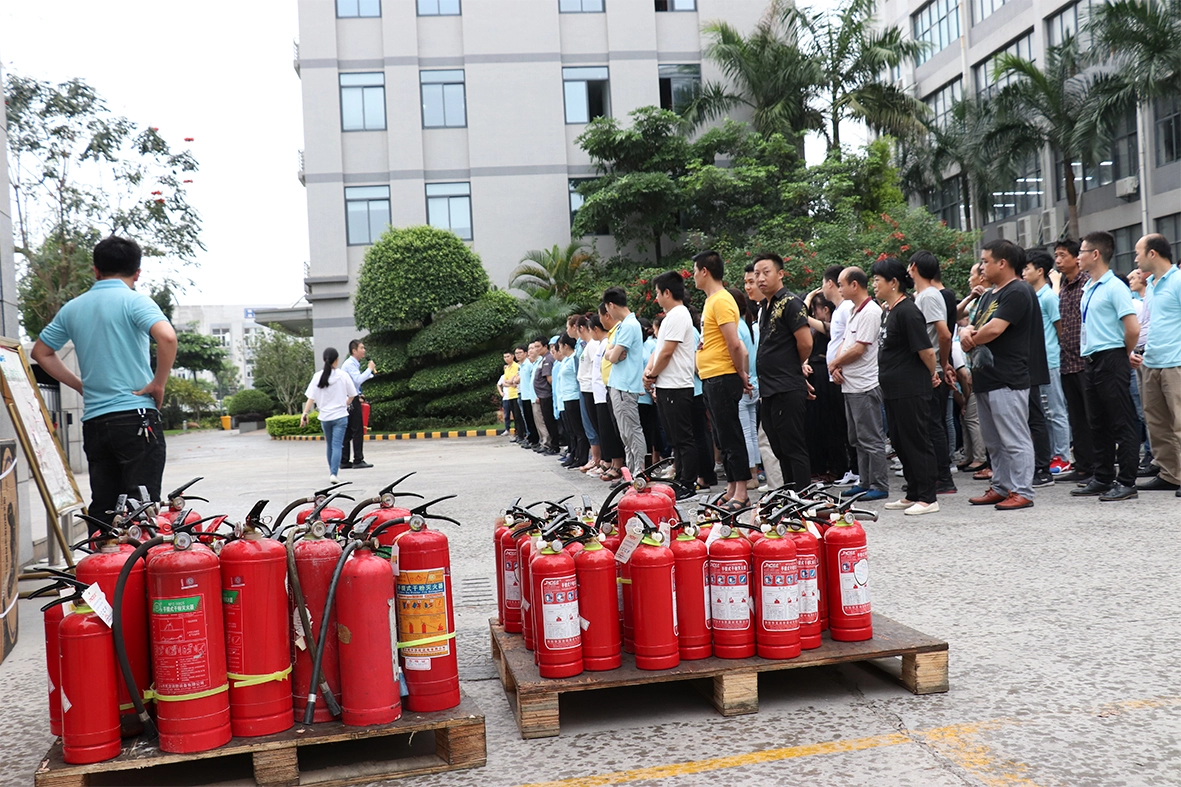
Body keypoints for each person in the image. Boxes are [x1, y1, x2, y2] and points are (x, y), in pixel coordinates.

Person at [33, 236, 177, 530]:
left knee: (104, 509)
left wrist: (79, 385)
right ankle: (136, 572)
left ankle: (102, 572)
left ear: (95, 270)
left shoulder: (73, 308)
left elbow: (40, 353)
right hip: (136, 419)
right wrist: (158, 383)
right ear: (137, 273)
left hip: (96, 423)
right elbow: (168, 337)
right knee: (141, 509)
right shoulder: (135, 300)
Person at [960, 239, 1039, 510]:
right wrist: (965, 334)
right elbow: (971, 325)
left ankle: (1022, 491)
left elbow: (994, 329)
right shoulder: (988, 295)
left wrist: (970, 338)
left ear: (1002, 263)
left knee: (1014, 438)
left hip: (1008, 378)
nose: (982, 267)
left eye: (985, 261)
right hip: (986, 377)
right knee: (994, 441)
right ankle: (1001, 486)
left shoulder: (1018, 291)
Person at [1071, 231, 1140, 501]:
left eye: (1082, 252)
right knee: (1097, 422)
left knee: (1122, 421)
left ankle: (1127, 481)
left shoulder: (1115, 287)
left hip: (1112, 357)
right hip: (1091, 359)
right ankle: (1102, 477)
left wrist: (1124, 351)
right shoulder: (1089, 286)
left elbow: (1132, 328)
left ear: (1096, 254)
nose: (1079, 257)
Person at [869, 258, 939, 515]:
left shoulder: (909, 311)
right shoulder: (889, 310)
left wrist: (931, 375)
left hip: (912, 387)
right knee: (899, 440)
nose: (874, 284)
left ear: (893, 282)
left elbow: (927, 351)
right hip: (893, 389)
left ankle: (928, 497)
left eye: (878, 280)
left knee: (916, 440)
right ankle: (913, 492)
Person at [752, 252, 812, 493]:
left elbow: (806, 343)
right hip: (769, 388)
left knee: (793, 446)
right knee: (777, 446)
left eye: (766, 272)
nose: (760, 278)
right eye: (757, 274)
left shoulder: (791, 302)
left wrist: (791, 367)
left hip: (787, 386)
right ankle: (789, 497)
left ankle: (803, 499)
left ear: (780, 274)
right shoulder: (765, 306)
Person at [829, 266, 889, 501]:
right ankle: (864, 481)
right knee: (857, 438)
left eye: (842, 284)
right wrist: (838, 367)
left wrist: (834, 363)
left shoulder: (870, 311)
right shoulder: (854, 310)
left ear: (855, 285)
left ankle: (879, 484)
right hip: (851, 384)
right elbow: (847, 342)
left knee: (871, 438)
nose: (839, 289)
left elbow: (859, 348)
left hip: (865, 385)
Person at [1132, 233, 1181, 495]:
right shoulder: (1150, 285)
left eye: (1138, 252)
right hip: (1151, 362)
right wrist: (1138, 350)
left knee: (1179, 422)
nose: (1135, 257)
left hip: (1176, 362)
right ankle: (1171, 474)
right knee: (1157, 423)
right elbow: (1150, 325)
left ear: (1153, 254)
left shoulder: (1178, 281)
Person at [644, 271, 698, 497]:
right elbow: (659, 350)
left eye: (658, 293)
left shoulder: (678, 314)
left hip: (677, 385)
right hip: (668, 385)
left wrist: (652, 374)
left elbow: (667, 353)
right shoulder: (670, 317)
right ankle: (680, 478)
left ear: (667, 292)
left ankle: (688, 483)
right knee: (675, 439)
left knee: (683, 438)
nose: (657, 298)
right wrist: (649, 371)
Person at [909, 251, 957, 495]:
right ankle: (936, 474)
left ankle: (943, 477)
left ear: (914, 267)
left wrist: (944, 363)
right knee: (930, 425)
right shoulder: (923, 296)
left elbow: (944, 333)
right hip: (931, 367)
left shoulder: (928, 296)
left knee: (933, 425)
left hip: (933, 369)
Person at [1022, 254, 1071, 472]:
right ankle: (1051, 454)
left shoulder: (1049, 297)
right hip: (1036, 362)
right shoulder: (1031, 295)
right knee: (1043, 412)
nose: (1024, 272)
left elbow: (1060, 328)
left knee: (1056, 410)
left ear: (1040, 271)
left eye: (1027, 268)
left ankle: (1062, 456)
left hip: (1050, 359)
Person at [1054, 239, 1095, 484]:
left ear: (1075, 258)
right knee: (1076, 417)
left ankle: (1098, 467)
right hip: (1066, 360)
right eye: (1056, 256)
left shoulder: (1087, 283)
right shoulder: (1064, 287)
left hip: (1085, 360)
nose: (1058, 260)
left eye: (1062, 255)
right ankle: (1082, 466)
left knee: (1092, 417)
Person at [602, 287, 647, 474]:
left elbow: (612, 357)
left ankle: (639, 471)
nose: (608, 313)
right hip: (619, 385)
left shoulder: (629, 326)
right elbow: (609, 352)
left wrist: (613, 354)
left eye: (607, 309)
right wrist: (613, 353)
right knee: (625, 433)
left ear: (611, 305)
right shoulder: (622, 325)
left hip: (625, 387)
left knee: (632, 431)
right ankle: (630, 472)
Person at [300, 347, 357, 483]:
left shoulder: (317, 377)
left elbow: (310, 398)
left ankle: (331, 471)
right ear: (336, 360)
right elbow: (353, 394)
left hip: (325, 418)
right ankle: (333, 473)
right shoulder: (343, 375)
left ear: (323, 360)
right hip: (340, 416)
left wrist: (305, 413)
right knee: (337, 445)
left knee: (330, 444)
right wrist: (346, 403)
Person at [730, 287, 761, 489]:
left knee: (744, 432)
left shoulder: (736, 326)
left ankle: (750, 475)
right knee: (751, 432)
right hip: (754, 383)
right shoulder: (746, 324)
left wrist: (742, 375)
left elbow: (744, 354)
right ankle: (755, 472)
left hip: (744, 384)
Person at [554, 334, 588, 469]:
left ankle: (581, 457)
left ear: (565, 346)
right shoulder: (565, 361)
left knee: (579, 431)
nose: (559, 349)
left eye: (560, 346)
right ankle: (574, 455)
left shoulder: (574, 359)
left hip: (574, 397)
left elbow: (577, 376)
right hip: (566, 398)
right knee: (572, 431)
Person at [340, 339, 375, 468]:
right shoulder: (350, 364)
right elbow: (358, 379)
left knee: (348, 430)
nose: (364, 350)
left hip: (350, 397)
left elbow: (354, 383)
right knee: (357, 429)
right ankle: (358, 460)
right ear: (354, 351)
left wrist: (358, 394)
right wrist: (369, 369)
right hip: (350, 399)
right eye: (362, 348)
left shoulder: (353, 364)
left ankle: (344, 461)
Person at [575, 317, 603, 473]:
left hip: (592, 390)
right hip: (586, 388)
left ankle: (600, 459)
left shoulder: (593, 345)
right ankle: (598, 459)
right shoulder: (587, 346)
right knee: (591, 424)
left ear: (581, 328)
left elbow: (597, 369)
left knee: (596, 426)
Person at [531, 337, 559, 455]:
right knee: (547, 421)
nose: (536, 349)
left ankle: (554, 445)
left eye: (538, 346)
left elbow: (549, 379)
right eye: (535, 346)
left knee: (549, 421)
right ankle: (551, 444)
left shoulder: (548, 359)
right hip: (542, 395)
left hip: (546, 395)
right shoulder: (543, 359)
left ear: (545, 346)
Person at [515, 344, 539, 449]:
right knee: (527, 419)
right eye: (516, 353)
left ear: (525, 353)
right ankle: (531, 438)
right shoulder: (521, 366)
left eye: (520, 353)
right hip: (524, 395)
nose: (517, 355)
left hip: (530, 396)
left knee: (532, 420)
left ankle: (534, 440)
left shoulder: (529, 364)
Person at [499, 350, 522, 441]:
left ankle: (521, 435)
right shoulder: (507, 368)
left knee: (518, 416)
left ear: (513, 356)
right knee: (515, 417)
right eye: (504, 357)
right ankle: (517, 435)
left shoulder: (516, 366)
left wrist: (510, 382)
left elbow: (514, 381)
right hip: (510, 395)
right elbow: (504, 382)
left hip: (516, 393)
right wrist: (510, 383)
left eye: (508, 356)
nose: (506, 359)